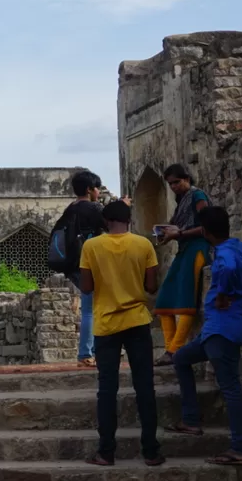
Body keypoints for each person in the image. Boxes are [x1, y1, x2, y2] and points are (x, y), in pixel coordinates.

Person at [169, 206, 242, 466]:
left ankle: (240, 447)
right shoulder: (238, 247)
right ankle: (190, 419)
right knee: (181, 359)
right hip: (217, 331)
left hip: (223, 330)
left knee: (231, 388)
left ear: (206, 232)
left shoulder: (225, 255)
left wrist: (222, 292)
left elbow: (229, 268)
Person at [80, 199, 163, 467]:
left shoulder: (91, 247)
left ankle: (106, 452)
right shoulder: (144, 244)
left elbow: (86, 287)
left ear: (105, 221)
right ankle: (150, 451)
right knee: (144, 387)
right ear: (130, 219)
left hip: (106, 324)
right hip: (137, 320)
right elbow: (151, 286)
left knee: (107, 389)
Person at [154, 164, 211, 365]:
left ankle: (175, 349)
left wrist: (178, 234)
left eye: (177, 182)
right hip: (184, 250)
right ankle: (171, 349)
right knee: (164, 302)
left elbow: (207, 226)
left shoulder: (198, 196)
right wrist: (167, 235)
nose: (174, 187)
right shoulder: (181, 202)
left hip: (197, 249)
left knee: (186, 302)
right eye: (170, 184)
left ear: (187, 178)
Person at [52, 170, 106, 368]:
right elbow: (112, 225)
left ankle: (90, 352)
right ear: (89, 189)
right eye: (96, 188)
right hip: (89, 263)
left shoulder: (70, 209)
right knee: (92, 310)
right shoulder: (93, 208)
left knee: (89, 309)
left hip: (73, 264)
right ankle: (87, 352)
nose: (98, 192)